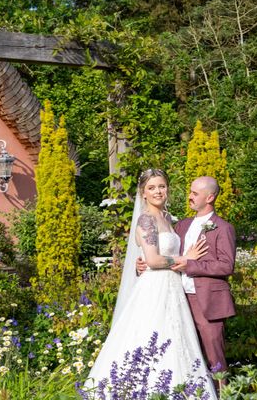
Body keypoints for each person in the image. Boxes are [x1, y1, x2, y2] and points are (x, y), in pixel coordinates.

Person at [84, 169, 217, 399]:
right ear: (143, 193)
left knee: (177, 340)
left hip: (173, 289)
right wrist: (185, 259)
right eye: (152, 187)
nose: (158, 191)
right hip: (154, 290)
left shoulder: (167, 218)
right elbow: (154, 260)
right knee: (152, 337)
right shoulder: (146, 219)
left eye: (162, 186)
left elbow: (153, 256)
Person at [137, 175, 236, 376]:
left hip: (206, 300)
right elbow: (162, 251)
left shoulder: (223, 228)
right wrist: (141, 263)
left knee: (214, 356)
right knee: (185, 354)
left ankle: (222, 394)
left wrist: (191, 265)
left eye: (194, 193)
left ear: (209, 198)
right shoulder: (180, 225)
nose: (189, 196)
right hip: (174, 298)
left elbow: (226, 266)